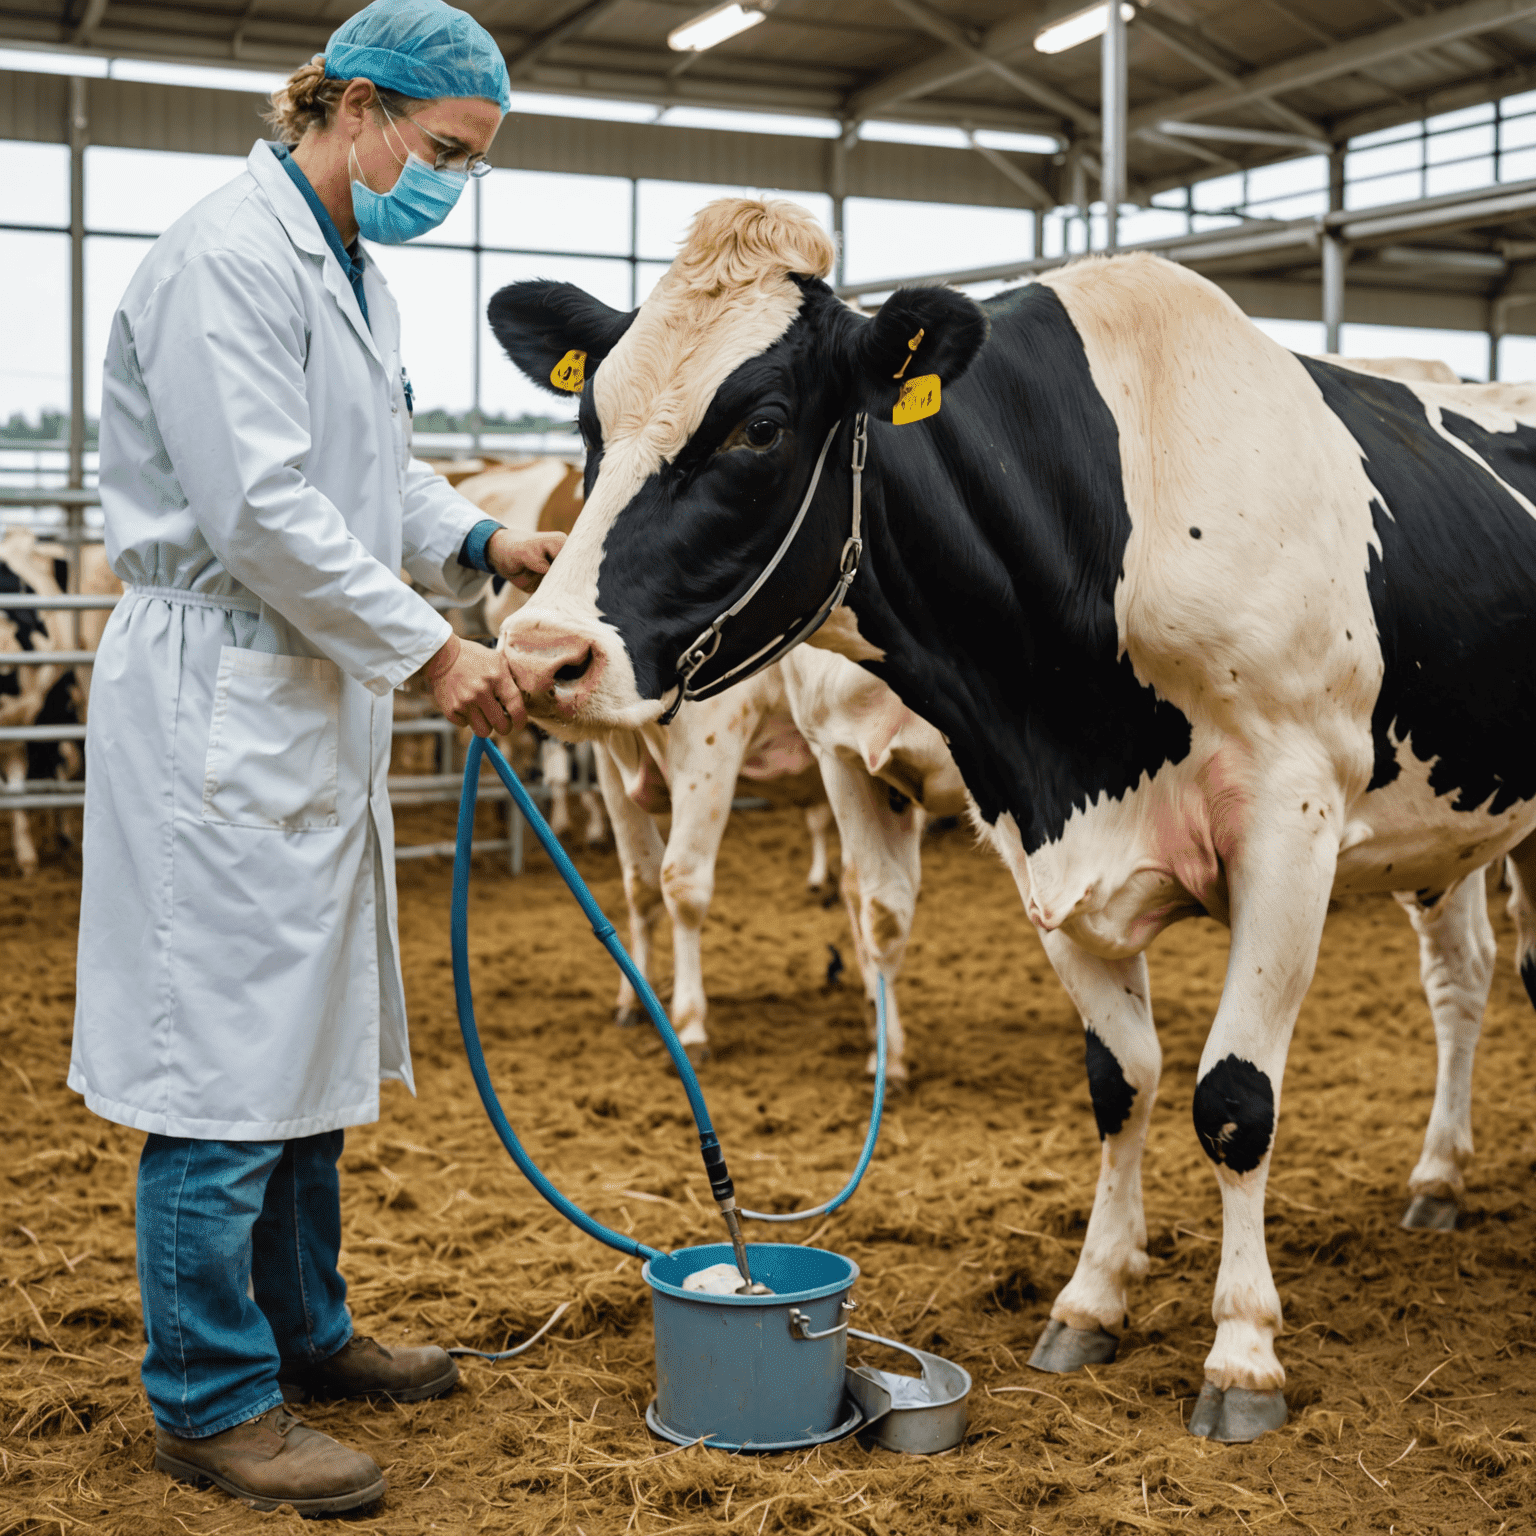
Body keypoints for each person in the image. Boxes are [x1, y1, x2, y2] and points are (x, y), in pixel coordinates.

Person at [68, 0, 548, 1515]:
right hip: (222, 686)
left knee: (302, 1042)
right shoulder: (226, 255)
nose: (450, 186)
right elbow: (265, 509)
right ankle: (210, 1400)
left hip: (302, 689)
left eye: (473, 165)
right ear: (355, 110)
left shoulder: (348, 268)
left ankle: (304, 1333)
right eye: (446, 152)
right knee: (219, 1062)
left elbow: (372, 466)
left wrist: (480, 538)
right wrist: (434, 649)